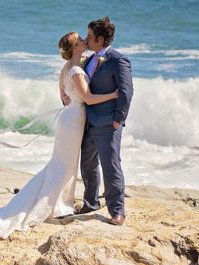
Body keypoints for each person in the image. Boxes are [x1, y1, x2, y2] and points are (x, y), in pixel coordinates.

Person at [0, 32, 118, 239]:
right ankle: (54, 205)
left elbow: (62, 93)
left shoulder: (69, 67)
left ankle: (61, 203)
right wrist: (113, 95)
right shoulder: (75, 70)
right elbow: (88, 98)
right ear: (76, 47)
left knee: (61, 164)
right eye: (81, 40)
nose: (85, 39)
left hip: (69, 118)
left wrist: (66, 97)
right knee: (64, 165)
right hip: (74, 120)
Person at [74, 16, 133, 226]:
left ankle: (117, 211)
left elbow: (126, 93)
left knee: (111, 166)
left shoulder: (119, 60)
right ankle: (90, 204)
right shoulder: (90, 59)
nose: (86, 39)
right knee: (88, 165)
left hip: (108, 123)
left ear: (100, 39)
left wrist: (118, 120)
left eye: (89, 36)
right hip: (88, 122)